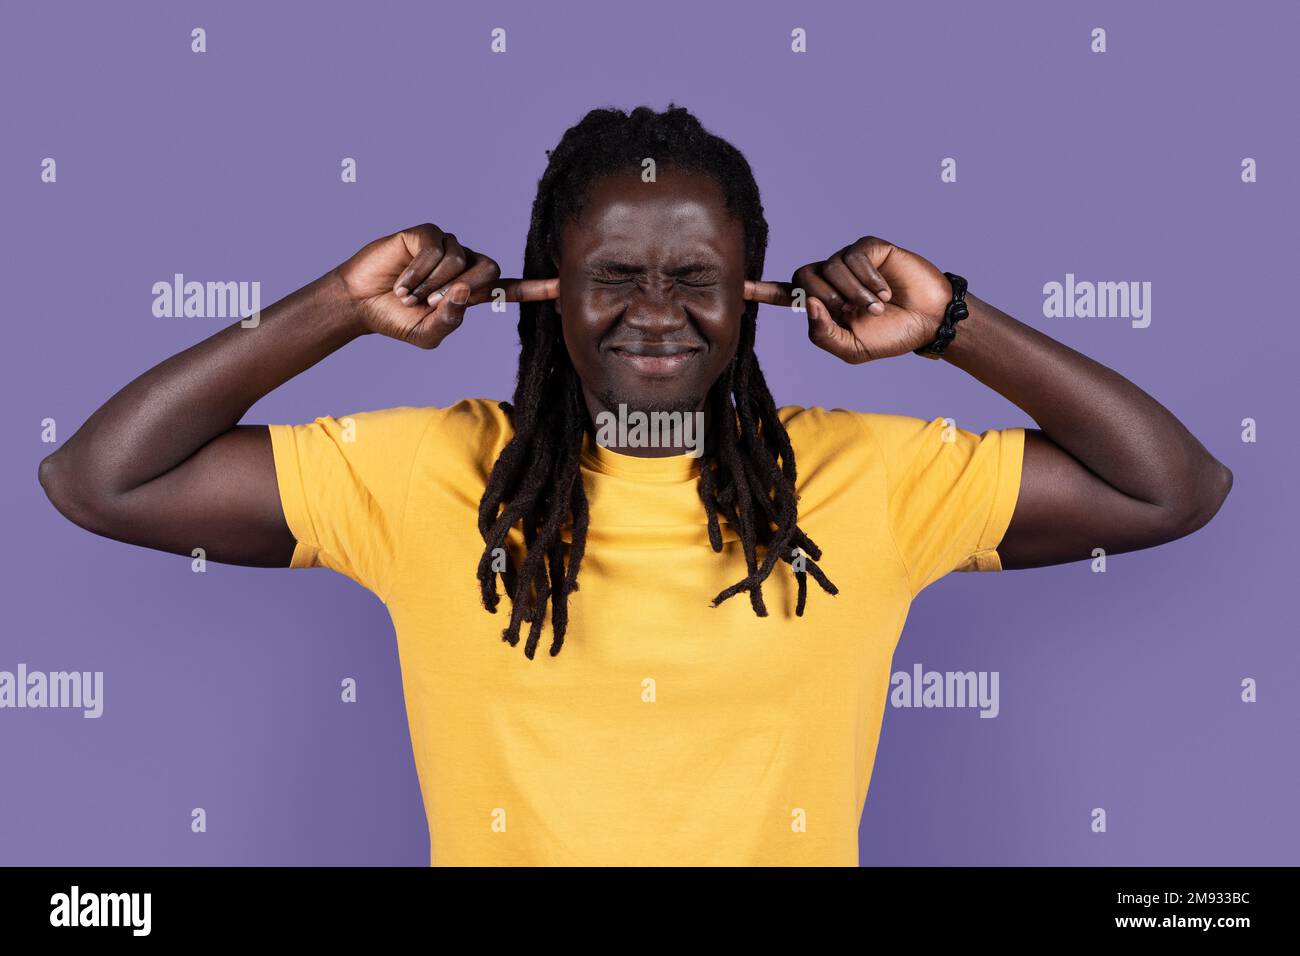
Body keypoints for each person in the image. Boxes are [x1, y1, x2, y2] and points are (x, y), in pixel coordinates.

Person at [38, 105, 1232, 866]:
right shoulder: (422, 470)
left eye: (695, 274)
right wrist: (334, 311)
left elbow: (1169, 488)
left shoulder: (871, 476)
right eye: (612, 272)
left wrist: (952, 325)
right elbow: (101, 478)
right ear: (544, 289)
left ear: (756, 293)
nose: (654, 312)